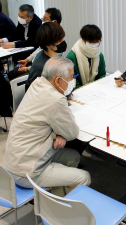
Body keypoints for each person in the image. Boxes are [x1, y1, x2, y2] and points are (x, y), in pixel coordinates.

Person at [4, 57, 91, 196]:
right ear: (57, 80)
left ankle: (56, 196)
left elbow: (43, 119)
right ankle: (62, 211)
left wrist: (59, 133)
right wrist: (60, 133)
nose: (72, 81)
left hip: (15, 159)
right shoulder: (55, 99)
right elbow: (72, 132)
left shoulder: (38, 83)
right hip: (27, 171)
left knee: (73, 156)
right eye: (70, 77)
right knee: (84, 177)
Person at [8, 7, 63, 79]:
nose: (42, 21)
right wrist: (26, 60)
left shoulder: (57, 41)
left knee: (12, 75)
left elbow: (43, 67)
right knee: (12, 73)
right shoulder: (47, 35)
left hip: (40, 73)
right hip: (34, 65)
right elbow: (39, 49)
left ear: (54, 22)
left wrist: (26, 69)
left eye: (45, 19)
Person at [25, 22, 66, 91]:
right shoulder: (42, 66)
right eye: (59, 40)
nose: (63, 40)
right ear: (49, 45)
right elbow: (37, 92)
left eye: (63, 37)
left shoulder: (57, 53)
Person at [66, 24, 106, 89]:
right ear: (83, 40)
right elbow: (71, 80)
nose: (94, 45)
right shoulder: (72, 56)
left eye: (96, 42)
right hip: (78, 92)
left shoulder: (99, 56)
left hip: (96, 90)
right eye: (91, 42)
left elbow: (102, 76)